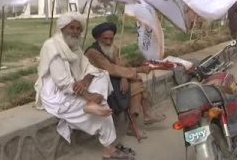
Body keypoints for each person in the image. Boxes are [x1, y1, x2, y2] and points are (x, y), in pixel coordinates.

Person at [35, 13, 134, 160]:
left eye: (78, 29)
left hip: (75, 87)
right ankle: (108, 149)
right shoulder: (52, 46)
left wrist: (85, 82)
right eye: (72, 28)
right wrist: (89, 95)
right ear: (63, 28)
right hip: (57, 95)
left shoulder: (75, 48)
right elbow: (63, 83)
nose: (75, 31)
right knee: (103, 106)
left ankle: (93, 105)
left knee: (102, 75)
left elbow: (91, 69)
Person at [85, 22, 166, 139]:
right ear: (98, 38)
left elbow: (119, 65)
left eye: (111, 39)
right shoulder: (93, 52)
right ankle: (142, 118)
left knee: (135, 82)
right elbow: (111, 69)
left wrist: (124, 77)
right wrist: (139, 69)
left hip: (112, 79)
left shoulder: (113, 49)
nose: (108, 42)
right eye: (105, 39)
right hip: (98, 84)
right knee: (137, 85)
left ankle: (140, 120)